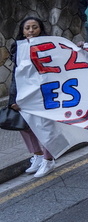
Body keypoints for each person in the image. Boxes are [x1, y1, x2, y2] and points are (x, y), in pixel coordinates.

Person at [7, 17, 57, 178]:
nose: (30, 31)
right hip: (23, 93)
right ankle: (38, 155)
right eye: (27, 28)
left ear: (40, 29)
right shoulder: (17, 47)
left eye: (34, 27)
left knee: (44, 126)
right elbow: (16, 74)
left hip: (43, 92)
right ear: (22, 31)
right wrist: (13, 99)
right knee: (26, 126)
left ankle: (48, 159)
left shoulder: (50, 45)